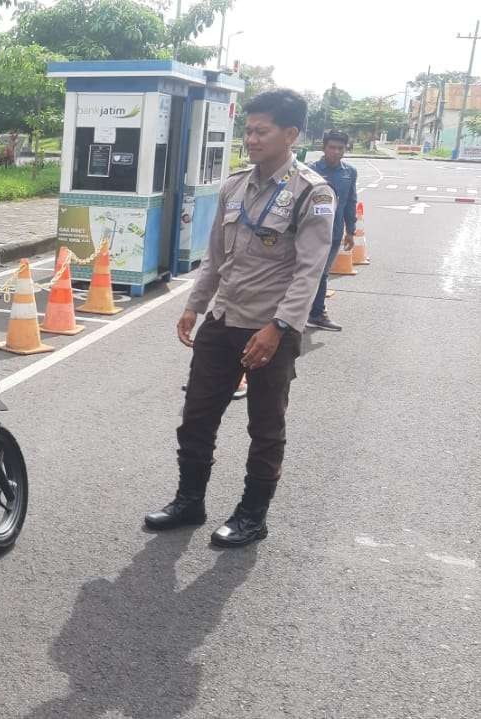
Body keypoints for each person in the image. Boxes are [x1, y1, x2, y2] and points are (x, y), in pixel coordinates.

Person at [144, 89, 335, 548]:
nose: (250, 138)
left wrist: (280, 327)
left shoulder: (312, 192)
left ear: (290, 134)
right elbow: (213, 256)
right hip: (223, 319)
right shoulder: (233, 185)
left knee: (265, 427)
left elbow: (311, 270)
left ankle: (253, 515)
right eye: (247, 130)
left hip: (271, 328)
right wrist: (194, 304)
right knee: (196, 417)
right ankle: (190, 500)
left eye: (260, 131)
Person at [306, 129, 358, 331]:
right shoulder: (309, 170)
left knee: (322, 273)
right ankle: (304, 313)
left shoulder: (349, 172)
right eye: (332, 147)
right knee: (306, 272)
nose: (336, 152)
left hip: (334, 233)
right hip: (309, 232)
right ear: (323, 148)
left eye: (340, 148)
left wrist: (350, 230)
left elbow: (350, 201)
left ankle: (316, 313)